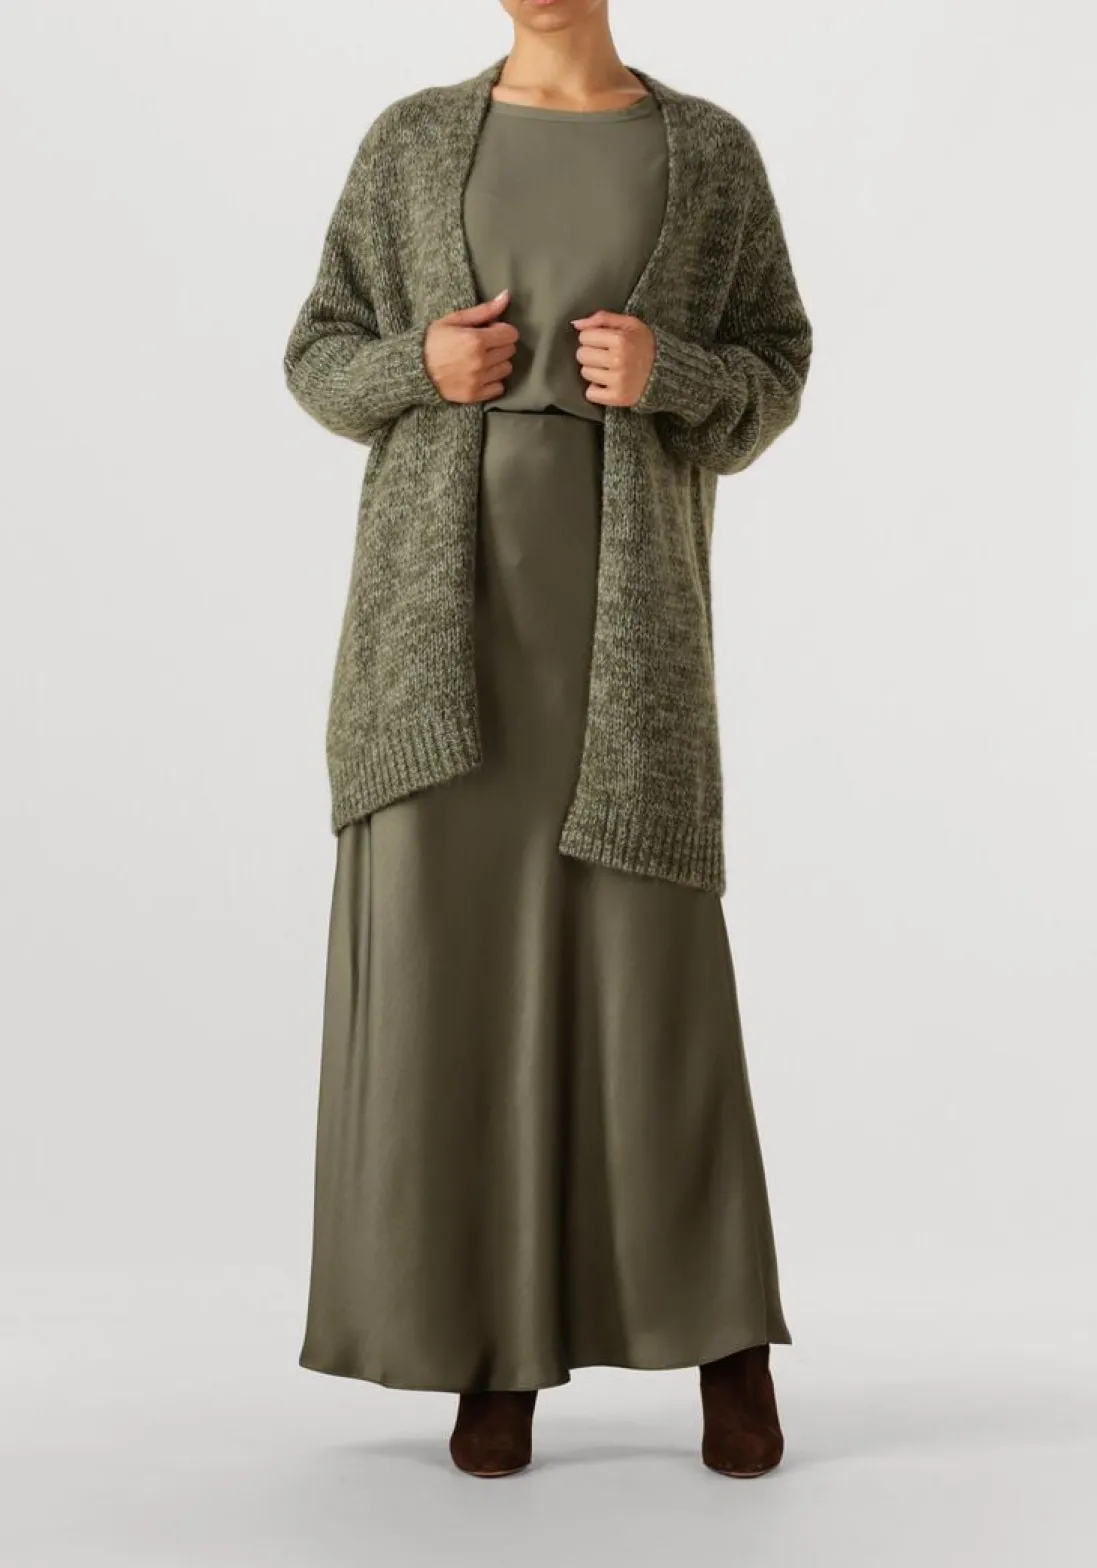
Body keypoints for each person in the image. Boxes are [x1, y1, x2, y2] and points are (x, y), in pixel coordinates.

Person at [283, 0, 812, 1479]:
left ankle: (727, 1345)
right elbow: (317, 354)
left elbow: (776, 366)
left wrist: (673, 374)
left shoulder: (707, 152)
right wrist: (419, 367)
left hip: (623, 645)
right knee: (459, 988)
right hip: (435, 649)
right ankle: (492, 1351)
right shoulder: (410, 143)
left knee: (655, 991)